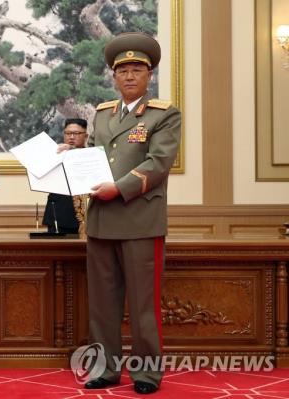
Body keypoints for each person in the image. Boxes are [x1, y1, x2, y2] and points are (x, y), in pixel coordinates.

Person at [82, 32, 181, 395]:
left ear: (149, 74)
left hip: (140, 220)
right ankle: (106, 369)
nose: (128, 76)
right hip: (101, 221)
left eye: (137, 69)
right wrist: (69, 157)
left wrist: (118, 188)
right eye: (122, 70)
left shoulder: (163, 114)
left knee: (143, 307)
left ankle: (147, 374)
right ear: (113, 75)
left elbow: (158, 164)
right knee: (103, 306)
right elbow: (94, 158)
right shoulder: (103, 114)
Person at [42, 118, 88, 234]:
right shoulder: (55, 154)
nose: (71, 137)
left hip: (86, 217)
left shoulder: (91, 156)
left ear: (86, 136)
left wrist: (72, 151)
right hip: (58, 215)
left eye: (76, 133)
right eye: (68, 133)